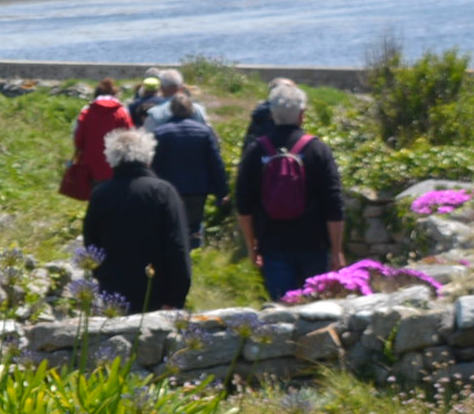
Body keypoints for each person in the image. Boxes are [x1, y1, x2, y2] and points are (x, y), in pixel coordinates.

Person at [235, 80, 346, 302]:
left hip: (272, 243)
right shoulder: (317, 149)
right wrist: (336, 251)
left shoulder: (256, 149)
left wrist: (251, 245)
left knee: (282, 307)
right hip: (314, 243)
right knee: (316, 307)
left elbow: (243, 204)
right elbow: (334, 204)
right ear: (301, 114)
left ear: (272, 114)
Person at [79, 127, 193, 312]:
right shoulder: (162, 191)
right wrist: (176, 297)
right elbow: (177, 246)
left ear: (111, 157)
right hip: (157, 294)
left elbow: (91, 245)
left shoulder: (100, 194)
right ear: (148, 156)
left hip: (114, 294)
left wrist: (102, 278)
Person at [147, 88, 226, 248]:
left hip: (171, 188)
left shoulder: (160, 133)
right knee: (194, 226)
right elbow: (215, 162)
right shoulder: (204, 132)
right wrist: (221, 191)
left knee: (171, 224)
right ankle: (193, 254)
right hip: (198, 188)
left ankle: (174, 255)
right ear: (191, 109)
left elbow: (154, 164)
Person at [59, 81, 133, 200]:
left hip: (91, 162)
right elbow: (130, 137)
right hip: (117, 163)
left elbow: (78, 138)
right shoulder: (122, 111)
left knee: (96, 197)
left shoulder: (87, 110)